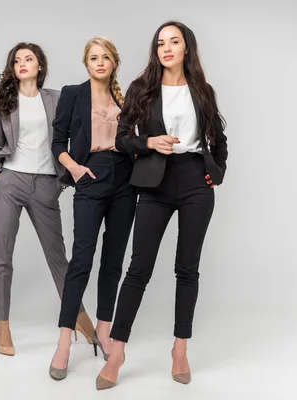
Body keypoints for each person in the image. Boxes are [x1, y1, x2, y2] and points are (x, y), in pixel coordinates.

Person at [96, 21, 229, 389]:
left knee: (187, 268)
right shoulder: (143, 88)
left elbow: (218, 140)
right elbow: (122, 140)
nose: (166, 48)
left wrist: (215, 173)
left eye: (174, 42)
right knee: (138, 268)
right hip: (154, 180)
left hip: (193, 182)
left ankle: (180, 347)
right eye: (160, 43)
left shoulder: (203, 91)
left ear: (187, 48)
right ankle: (118, 349)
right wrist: (150, 143)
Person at [0, 42, 94, 356]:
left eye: (28, 58)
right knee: (2, 256)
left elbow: (71, 136)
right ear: (13, 67)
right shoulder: (3, 101)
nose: (22, 63)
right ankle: (2, 324)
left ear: (39, 66)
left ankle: (79, 316)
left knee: (58, 257)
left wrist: (64, 176)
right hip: (10, 180)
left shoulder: (56, 99)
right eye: (17, 60)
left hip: (47, 183)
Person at [48, 37, 136, 380]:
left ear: (114, 63)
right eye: (94, 58)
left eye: (106, 58)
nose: (100, 63)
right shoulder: (73, 93)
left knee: (113, 260)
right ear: (87, 63)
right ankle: (65, 340)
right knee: (81, 260)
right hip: (90, 174)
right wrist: (74, 167)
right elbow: (58, 141)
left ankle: (103, 328)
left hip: (124, 180)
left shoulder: (124, 98)